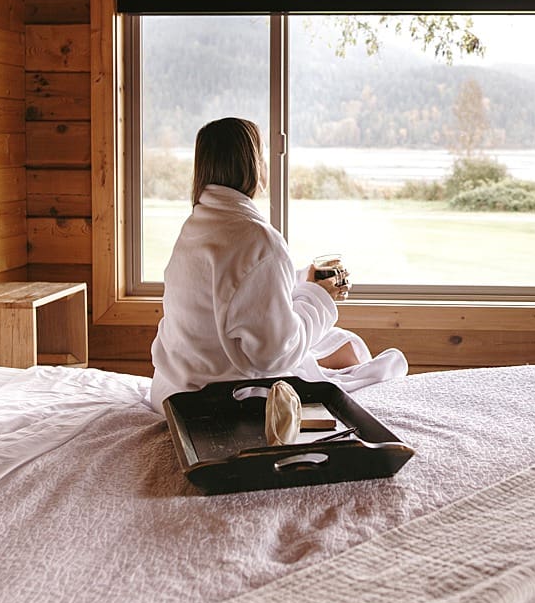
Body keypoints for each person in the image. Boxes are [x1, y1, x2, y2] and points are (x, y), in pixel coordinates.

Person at [147, 117, 408, 410]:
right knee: (369, 363)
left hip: (175, 387)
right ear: (253, 165)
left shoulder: (197, 227)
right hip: (221, 399)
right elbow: (277, 355)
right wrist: (320, 296)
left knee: (342, 342)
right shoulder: (259, 240)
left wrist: (303, 280)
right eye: (262, 155)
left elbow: (233, 291)